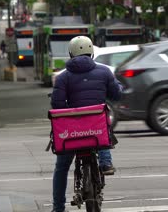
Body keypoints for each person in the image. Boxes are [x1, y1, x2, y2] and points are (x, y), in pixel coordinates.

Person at [50, 35, 122, 212]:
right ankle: (105, 163)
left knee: (61, 168)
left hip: (71, 133)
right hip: (97, 130)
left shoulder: (62, 77)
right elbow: (116, 95)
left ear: (70, 54)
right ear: (91, 53)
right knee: (101, 127)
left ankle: (58, 208)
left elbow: (57, 104)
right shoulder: (104, 72)